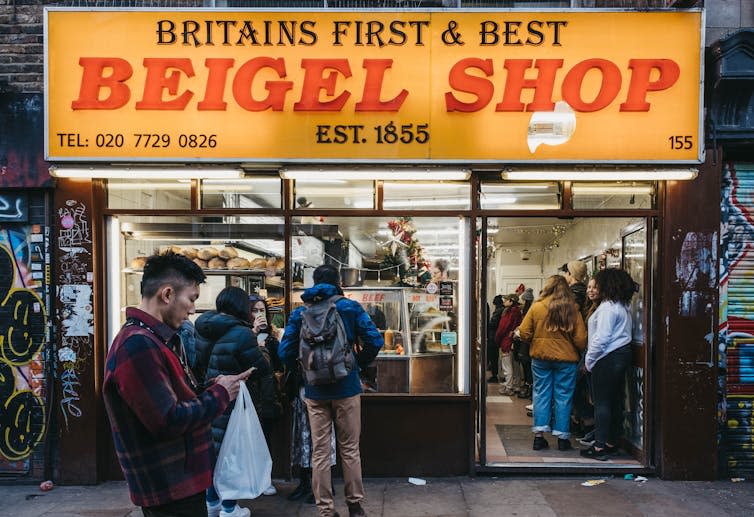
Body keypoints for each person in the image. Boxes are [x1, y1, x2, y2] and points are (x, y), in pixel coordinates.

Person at [103, 252, 253, 517]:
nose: (193, 309)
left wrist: (210, 386)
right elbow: (168, 420)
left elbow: (170, 398)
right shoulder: (137, 345)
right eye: (192, 299)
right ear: (167, 294)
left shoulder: (156, 339)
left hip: (180, 481)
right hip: (169, 487)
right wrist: (220, 394)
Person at [279, 264, 384, 517]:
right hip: (346, 387)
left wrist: (306, 367)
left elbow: (284, 352)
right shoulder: (349, 307)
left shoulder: (300, 313)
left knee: (320, 451)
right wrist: (356, 364)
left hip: (314, 391)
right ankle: (355, 506)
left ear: (314, 282)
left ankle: (325, 510)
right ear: (338, 282)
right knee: (349, 448)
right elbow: (375, 340)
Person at [194, 286, 271, 517]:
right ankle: (229, 508)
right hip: (232, 398)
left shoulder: (202, 327)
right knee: (231, 453)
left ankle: (211, 501)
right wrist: (261, 347)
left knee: (212, 450)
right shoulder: (242, 333)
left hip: (207, 395)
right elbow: (260, 368)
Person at [516, 275, 587, 452]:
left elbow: (524, 332)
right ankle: (563, 439)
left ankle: (539, 438)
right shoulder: (573, 309)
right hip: (566, 360)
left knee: (541, 394)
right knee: (563, 396)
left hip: (540, 358)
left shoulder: (537, 307)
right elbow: (581, 340)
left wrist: (536, 340)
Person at [580, 269, 635, 461]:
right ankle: (611, 442)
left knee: (602, 402)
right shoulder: (621, 306)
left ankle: (599, 447)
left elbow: (601, 339)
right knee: (615, 401)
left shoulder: (607, 308)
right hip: (621, 355)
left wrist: (589, 361)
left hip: (607, 357)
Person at [247, 293, 284, 496]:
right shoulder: (244, 335)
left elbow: (278, 365)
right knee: (248, 439)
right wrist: (254, 337)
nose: (259, 314)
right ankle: (249, 480)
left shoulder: (271, 337)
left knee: (265, 439)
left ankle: (265, 479)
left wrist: (273, 344)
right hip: (249, 396)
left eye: (262, 310)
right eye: (255, 310)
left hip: (268, 395)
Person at [496, 293, 523, 396]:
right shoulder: (518, 312)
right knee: (515, 365)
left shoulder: (509, 313)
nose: (504, 301)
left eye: (506, 300)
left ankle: (508, 387)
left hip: (506, 341)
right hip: (514, 342)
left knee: (507, 366)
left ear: (511, 301)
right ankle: (516, 385)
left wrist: (497, 339)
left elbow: (502, 328)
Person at [486, 295, 504, 383]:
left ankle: (495, 375)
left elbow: (493, 324)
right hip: (496, 337)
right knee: (495, 357)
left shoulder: (498, 311)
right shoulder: (501, 310)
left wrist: (486, 325)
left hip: (493, 337)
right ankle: (496, 374)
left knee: (493, 357)